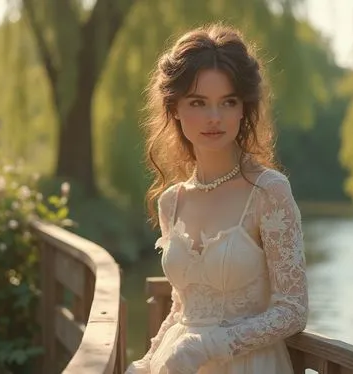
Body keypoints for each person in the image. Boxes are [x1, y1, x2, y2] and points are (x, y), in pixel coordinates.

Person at [125, 23, 308, 374]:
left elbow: (293, 309)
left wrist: (209, 346)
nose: (214, 117)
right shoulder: (171, 202)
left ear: (243, 109)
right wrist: (147, 362)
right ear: (175, 108)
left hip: (246, 365)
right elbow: (184, 305)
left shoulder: (268, 191)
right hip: (178, 364)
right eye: (198, 102)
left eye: (228, 102)